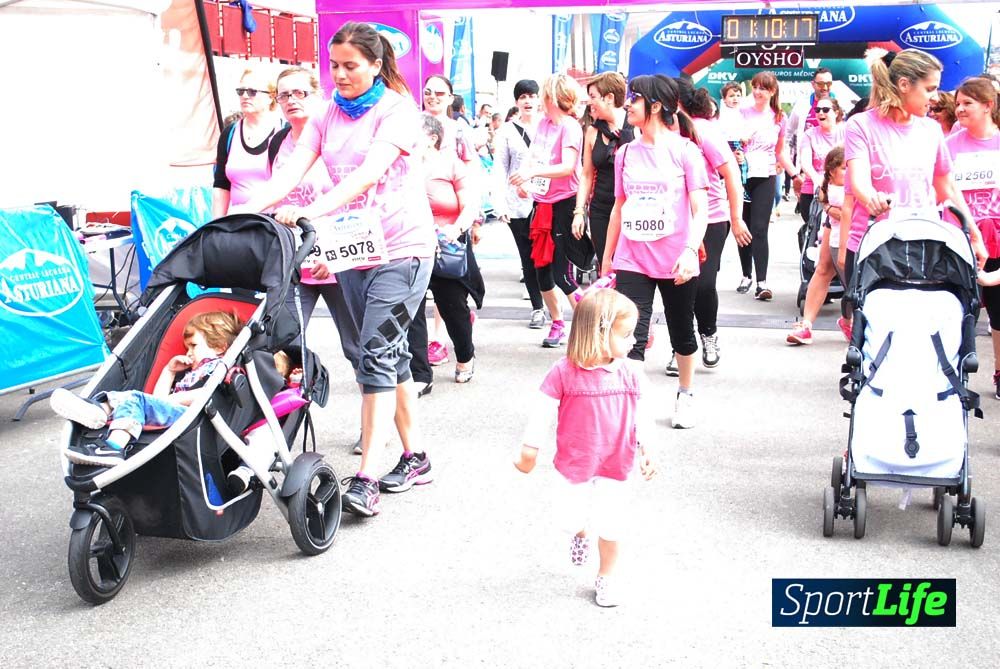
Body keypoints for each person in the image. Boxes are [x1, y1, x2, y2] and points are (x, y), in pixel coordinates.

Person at [235, 21, 436, 518]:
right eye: (334, 66)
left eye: (351, 66)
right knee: (390, 357)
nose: (340, 75)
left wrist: (313, 211)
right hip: (354, 250)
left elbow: (369, 173)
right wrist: (243, 213)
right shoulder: (327, 112)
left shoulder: (398, 110)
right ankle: (416, 457)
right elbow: (291, 170)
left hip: (402, 249)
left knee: (374, 355)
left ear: (375, 64)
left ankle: (366, 478)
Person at [513, 288, 656, 608]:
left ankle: (606, 576)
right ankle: (579, 533)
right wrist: (529, 449)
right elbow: (542, 410)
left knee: (612, 523)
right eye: (626, 335)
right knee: (567, 518)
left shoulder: (631, 372)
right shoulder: (563, 372)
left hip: (617, 463)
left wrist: (648, 448)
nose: (634, 341)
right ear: (599, 334)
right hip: (574, 463)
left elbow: (643, 412)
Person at [839, 49, 987, 318]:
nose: (935, 97)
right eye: (930, 88)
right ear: (905, 85)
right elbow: (858, 181)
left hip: (923, 246)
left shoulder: (931, 130)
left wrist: (974, 236)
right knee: (872, 336)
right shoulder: (860, 125)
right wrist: (872, 198)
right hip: (873, 247)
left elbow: (947, 188)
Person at [601, 74, 710, 428]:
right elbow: (619, 208)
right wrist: (607, 257)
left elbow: (701, 209)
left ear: (656, 105)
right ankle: (632, 407)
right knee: (629, 332)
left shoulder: (686, 151)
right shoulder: (625, 153)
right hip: (632, 256)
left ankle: (686, 394)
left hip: (677, 258)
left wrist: (691, 250)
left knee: (682, 332)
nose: (627, 104)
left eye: (634, 98)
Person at [270, 66, 364, 452]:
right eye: (283, 95)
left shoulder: (337, 141)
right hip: (295, 262)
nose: (291, 101)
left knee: (358, 348)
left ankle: (371, 426)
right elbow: (277, 197)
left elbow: (355, 199)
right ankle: (275, 433)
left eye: (299, 93)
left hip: (339, 261)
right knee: (284, 345)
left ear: (317, 95)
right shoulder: (279, 144)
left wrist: (332, 250)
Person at [54, 312, 242, 466]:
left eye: (193, 346)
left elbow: (207, 395)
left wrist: (170, 400)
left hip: (195, 419)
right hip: (178, 414)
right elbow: (157, 398)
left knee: (135, 398)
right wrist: (169, 371)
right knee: (132, 400)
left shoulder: (220, 368)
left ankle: (113, 447)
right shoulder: (191, 372)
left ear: (219, 347)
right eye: (187, 348)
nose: (188, 353)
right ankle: (100, 410)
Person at [673, 80, 747, 372]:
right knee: (681, 283)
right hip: (678, 220)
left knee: (703, 284)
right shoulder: (664, 132)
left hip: (712, 218)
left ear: (677, 103)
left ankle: (709, 334)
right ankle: (683, 345)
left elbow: (732, 175)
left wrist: (737, 218)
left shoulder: (702, 130)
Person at [509, 73, 584, 348]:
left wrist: (532, 173)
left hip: (565, 203)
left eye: (542, 95)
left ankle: (590, 324)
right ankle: (557, 322)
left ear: (553, 97)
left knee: (563, 273)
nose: (539, 100)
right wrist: (524, 180)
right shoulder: (543, 124)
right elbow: (533, 157)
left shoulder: (570, 127)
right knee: (540, 268)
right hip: (542, 203)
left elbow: (567, 167)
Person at [406, 113, 482, 384]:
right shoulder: (401, 167)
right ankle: (419, 374)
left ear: (432, 138)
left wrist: (456, 229)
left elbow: (470, 204)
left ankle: (465, 356)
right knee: (411, 311)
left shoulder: (451, 165)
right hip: (409, 246)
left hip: (446, 247)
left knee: (453, 308)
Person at [946, 76, 1000, 396]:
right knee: (956, 310)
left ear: (988, 106)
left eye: (968, 103)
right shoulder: (950, 145)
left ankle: (999, 371)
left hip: (996, 236)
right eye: (958, 103)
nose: (960, 109)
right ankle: (951, 370)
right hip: (958, 237)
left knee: (998, 312)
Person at [735, 71, 796, 300]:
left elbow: (780, 151)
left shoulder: (779, 117)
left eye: (763, 88)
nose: (758, 92)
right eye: (755, 87)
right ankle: (746, 274)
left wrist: (795, 174)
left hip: (766, 174)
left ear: (772, 91)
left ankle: (762, 282)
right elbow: (729, 142)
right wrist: (736, 150)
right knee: (743, 227)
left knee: (760, 228)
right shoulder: (741, 113)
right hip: (742, 175)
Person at [494, 79, 547, 330]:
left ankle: (553, 305)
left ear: (539, 99)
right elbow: (500, 169)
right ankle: (538, 308)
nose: (528, 101)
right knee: (528, 257)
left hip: (546, 201)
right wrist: (500, 203)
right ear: (516, 102)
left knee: (547, 256)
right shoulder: (506, 131)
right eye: (523, 96)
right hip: (517, 204)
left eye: (532, 96)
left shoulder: (549, 127)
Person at [786, 147, 848, 345]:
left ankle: (849, 321)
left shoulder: (854, 182)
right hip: (834, 228)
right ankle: (806, 324)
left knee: (851, 281)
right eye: (844, 168)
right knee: (823, 270)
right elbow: (824, 198)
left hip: (853, 231)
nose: (848, 171)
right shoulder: (829, 185)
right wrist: (828, 208)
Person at [574, 72, 633, 274]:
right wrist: (579, 212)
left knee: (628, 270)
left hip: (631, 209)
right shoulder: (592, 131)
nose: (589, 102)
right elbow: (586, 175)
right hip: (601, 209)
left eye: (593, 97)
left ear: (609, 98)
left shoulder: (635, 127)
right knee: (606, 267)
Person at [212, 68, 282, 218]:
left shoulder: (284, 132)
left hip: (275, 223)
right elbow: (221, 186)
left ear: (271, 97)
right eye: (241, 91)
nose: (244, 96)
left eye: (252, 92)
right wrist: (216, 224)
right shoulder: (229, 133)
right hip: (239, 222)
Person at [795, 98, 845, 227]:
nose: (820, 113)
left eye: (826, 110)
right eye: (817, 110)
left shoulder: (846, 132)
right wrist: (817, 179)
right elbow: (805, 163)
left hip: (840, 193)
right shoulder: (809, 134)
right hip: (813, 191)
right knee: (814, 233)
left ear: (836, 113)